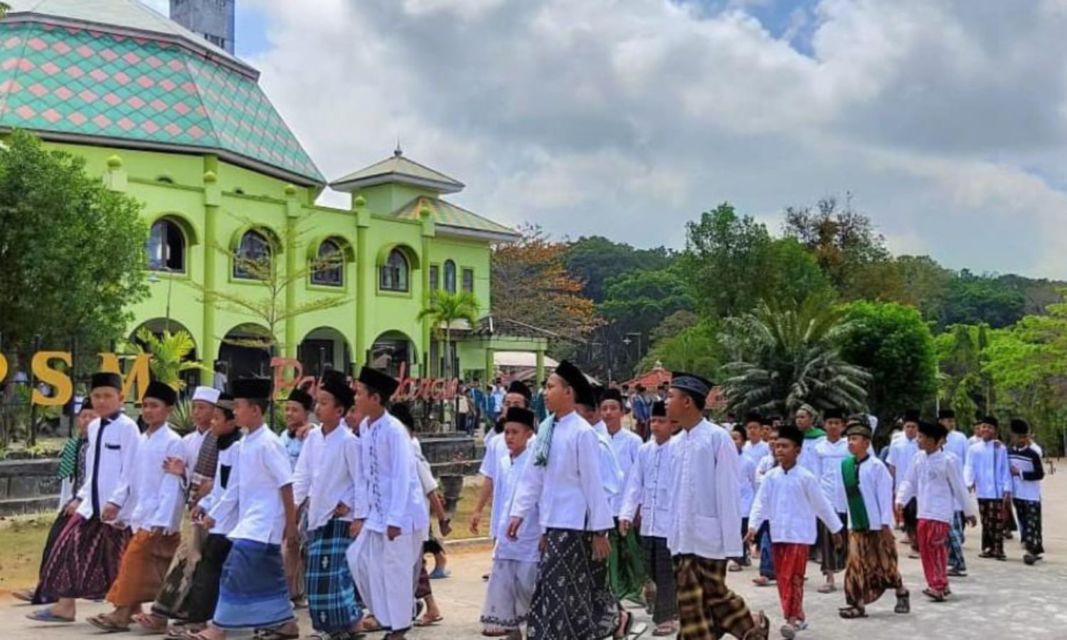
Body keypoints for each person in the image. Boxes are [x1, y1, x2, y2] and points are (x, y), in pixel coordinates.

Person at [508, 360, 635, 640]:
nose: (544, 392)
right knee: (560, 592)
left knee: (559, 591)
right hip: (554, 524)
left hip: (576, 527)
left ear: (568, 392)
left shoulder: (582, 433)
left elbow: (593, 486)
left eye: (550, 386)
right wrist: (519, 514)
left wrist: (601, 531)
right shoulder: (547, 429)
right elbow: (534, 477)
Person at [29, 372, 140, 625]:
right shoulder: (94, 426)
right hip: (91, 505)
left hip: (118, 510)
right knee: (67, 547)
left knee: (121, 560)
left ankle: (131, 609)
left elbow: (131, 470)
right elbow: (93, 469)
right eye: (96, 396)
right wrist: (80, 497)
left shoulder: (128, 428)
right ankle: (65, 606)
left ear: (120, 398)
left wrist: (117, 502)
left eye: (107, 396)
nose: (101, 401)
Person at [667, 372, 769, 640]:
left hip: (709, 537)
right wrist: (671, 534)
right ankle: (751, 629)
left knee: (716, 597)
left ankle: (752, 629)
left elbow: (728, 492)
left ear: (687, 401)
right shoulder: (675, 443)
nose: (666, 402)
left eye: (670, 396)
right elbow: (673, 493)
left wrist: (732, 545)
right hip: (681, 538)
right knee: (692, 605)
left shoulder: (716, 438)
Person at [197, 377, 301, 640]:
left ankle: (219, 627)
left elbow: (286, 485)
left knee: (234, 568)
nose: (234, 411)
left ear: (255, 410)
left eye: (239, 406)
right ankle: (286, 623)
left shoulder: (269, 443)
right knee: (270, 576)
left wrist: (291, 526)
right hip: (248, 520)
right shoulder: (242, 444)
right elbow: (234, 488)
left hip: (265, 522)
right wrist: (214, 515)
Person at [87, 381, 185, 632]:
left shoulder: (173, 442)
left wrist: (164, 520)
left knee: (133, 563)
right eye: (145, 406)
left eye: (155, 406)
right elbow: (129, 477)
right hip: (140, 514)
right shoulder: (142, 440)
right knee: (144, 569)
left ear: (169, 410)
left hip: (159, 518)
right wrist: (119, 506)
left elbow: (171, 485)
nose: (148, 411)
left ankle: (120, 614)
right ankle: (138, 612)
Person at [347, 367, 428, 640]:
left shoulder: (394, 430)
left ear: (375, 397)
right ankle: (389, 616)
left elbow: (403, 476)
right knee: (358, 559)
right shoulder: (366, 428)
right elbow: (363, 476)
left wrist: (395, 520)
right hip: (375, 515)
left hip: (401, 516)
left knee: (394, 572)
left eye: (359, 393)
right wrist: (360, 514)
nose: (355, 398)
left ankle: (399, 627)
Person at [747, 424, 843, 640]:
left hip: (800, 536)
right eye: (777, 446)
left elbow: (822, 505)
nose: (779, 450)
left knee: (794, 577)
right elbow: (760, 504)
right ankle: (793, 614)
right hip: (778, 533)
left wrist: (835, 528)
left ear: (797, 450)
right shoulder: (771, 477)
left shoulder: (806, 477)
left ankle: (794, 618)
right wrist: (752, 526)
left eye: (785, 446)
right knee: (782, 578)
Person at [291, 370, 364, 639]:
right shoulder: (312, 439)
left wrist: (353, 507)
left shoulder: (349, 442)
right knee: (316, 578)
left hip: (341, 520)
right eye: (317, 402)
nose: (318, 408)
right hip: (317, 516)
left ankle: (345, 625)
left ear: (340, 410)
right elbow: (302, 475)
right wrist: (294, 506)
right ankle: (329, 626)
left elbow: (361, 481)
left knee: (335, 577)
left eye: (324, 403)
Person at [143, 386, 221, 634]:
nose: (197, 413)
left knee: (193, 562)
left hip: (216, 513)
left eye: (203, 408)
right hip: (195, 510)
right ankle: (169, 613)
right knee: (189, 562)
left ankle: (166, 614)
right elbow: (190, 481)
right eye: (195, 407)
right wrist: (183, 474)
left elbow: (219, 480)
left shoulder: (223, 440)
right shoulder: (188, 441)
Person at [170, 393, 241, 639]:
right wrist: (205, 503)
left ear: (231, 422)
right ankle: (203, 620)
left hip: (233, 522)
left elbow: (234, 489)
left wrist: (214, 511)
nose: (211, 422)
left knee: (210, 568)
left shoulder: (237, 448)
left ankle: (203, 622)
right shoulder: (223, 445)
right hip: (218, 517)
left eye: (216, 418)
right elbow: (220, 488)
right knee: (208, 568)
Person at [14, 399, 96, 605]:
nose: (86, 421)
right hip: (76, 502)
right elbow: (73, 478)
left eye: (92, 417)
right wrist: (70, 500)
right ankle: (47, 589)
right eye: (83, 416)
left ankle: (53, 592)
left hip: (93, 504)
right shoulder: (76, 445)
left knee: (71, 546)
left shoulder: (99, 445)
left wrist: (82, 499)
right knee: (56, 542)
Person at [836, 417, 910, 620]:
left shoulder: (877, 467)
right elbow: (843, 496)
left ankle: (901, 591)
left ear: (867, 443)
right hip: (855, 525)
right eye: (849, 439)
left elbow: (885, 497)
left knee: (884, 564)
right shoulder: (845, 466)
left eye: (855, 439)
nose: (851, 442)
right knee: (854, 565)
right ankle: (856, 604)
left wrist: (886, 524)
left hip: (876, 525)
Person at [895, 420, 977, 602]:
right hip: (923, 512)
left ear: (936, 441)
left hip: (940, 514)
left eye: (922, 437)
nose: (918, 440)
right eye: (918, 436)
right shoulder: (918, 458)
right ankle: (939, 583)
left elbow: (959, 487)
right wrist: (901, 499)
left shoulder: (948, 461)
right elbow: (909, 481)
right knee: (925, 550)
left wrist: (968, 511)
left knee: (937, 549)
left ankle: (938, 586)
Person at [479, 406, 541, 639]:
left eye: (515, 432)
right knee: (506, 590)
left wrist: (543, 531)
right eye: (506, 432)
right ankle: (513, 633)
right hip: (506, 537)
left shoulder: (535, 462)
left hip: (529, 536)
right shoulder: (504, 462)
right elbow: (501, 498)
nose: (509, 437)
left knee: (528, 589)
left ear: (528, 434)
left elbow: (539, 498)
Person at [619, 399, 677, 637]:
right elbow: (635, 484)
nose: (655, 425)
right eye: (653, 420)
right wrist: (626, 513)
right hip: (648, 522)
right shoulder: (644, 451)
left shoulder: (678, 450)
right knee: (650, 567)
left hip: (670, 524)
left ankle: (667, 617)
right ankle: (669, 606)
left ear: (672, 424)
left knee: (665, 570)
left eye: (661, 421)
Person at [391, 402, 452, 628]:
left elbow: (431, 490)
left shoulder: (412, 457)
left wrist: (443, 519)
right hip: (403, 520)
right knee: (410, 566)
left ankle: (430, 607)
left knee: (414, 566)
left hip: (412, 520)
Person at [600, 387, 645, 604]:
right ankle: (615, 592)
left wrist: (637, 507)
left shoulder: (633, 441)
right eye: (604, 408)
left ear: (621, 412)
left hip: (627, 507)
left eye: (613, 408)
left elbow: (640, 476)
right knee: (612, 554)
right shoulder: (596, 440)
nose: (608, 413)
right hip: (606, 509)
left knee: (632, 551)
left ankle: (639, 590)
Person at [279, 386, 313, 609]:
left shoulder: (314, 435)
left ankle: (300, 592)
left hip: (308, 499)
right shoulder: (282, 437)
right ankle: (292, 593)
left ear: (306, 413)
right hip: (288, 498)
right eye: (287, 409)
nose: (290, 414)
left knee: (302, 547)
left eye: (295, 410)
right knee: (289, 546)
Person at [964, 416, 1012, 561]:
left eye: (989, 427)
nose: (985, 429)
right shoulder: (973, 448)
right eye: (984, 426)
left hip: (997, 492)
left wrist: (1007, 488)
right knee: (985, 521)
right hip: (982, 490)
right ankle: (987, 548)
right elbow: (969, 466)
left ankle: (998, 549)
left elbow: (1005, 469)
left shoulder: (1000, 448)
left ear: (995, 431)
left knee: (996, 521)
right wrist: (968, 482)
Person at [814, 408, 849, 594]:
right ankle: (829, 576)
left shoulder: (848, 446)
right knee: (827, 538)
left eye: (837, 423)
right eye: (830, 423)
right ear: (824, 425)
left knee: (848, 538)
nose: (833, 426)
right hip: (826, 497)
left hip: (847, 498)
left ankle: (851, 574)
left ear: (843, 426)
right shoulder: (819, 447)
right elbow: (815, 474)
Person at [1007, 418, 1045, 565]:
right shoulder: (1009, 452)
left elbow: (1039, 474)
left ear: (1024, 437)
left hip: (1031, 494)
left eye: (1017, 436)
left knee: (1032, 523)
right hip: (1017, 494)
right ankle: (1033, 548)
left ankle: (1031, 551)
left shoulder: (1033, 454)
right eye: (1013, 436)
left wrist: (1021, 473)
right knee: (1023, 522)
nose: (1015, 439)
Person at [938, 408, 970, 577]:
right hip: (940, 495)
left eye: (951, 421)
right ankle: (950, 561)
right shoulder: (934, 443)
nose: (949, 424)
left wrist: (966, 483)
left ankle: (958, 562)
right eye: (946, 421)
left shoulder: (961, 439)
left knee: (954, 529)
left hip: (956, 489)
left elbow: (967, 461)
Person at [887, 411, 921, 553]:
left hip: (918, 486)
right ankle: (912, 538)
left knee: (916, 514)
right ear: (904, 427)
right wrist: (891, 483)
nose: (910, 429)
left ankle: (917, 545)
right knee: (906, 515)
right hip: (902, 484)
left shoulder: (921, 443)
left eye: (913, 426)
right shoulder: (896, 443)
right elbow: (892, 465)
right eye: (908, 426)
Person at [752, 424, 779, 589]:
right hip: (767, 509)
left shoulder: (790, 461)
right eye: (771, 439)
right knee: (766, 541)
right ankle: (765, 573)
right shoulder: (765, 460)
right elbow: (759, 479)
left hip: (783, 511)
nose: (773, 443)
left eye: (777, 439)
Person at [729, 425, 757, 572]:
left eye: (736, 438)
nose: (733, 442)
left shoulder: (748, 461)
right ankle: (738, 557)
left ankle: (740, 558)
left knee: (742, 530)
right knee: (733, 530)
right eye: (730, 438)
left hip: (746, 501)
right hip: (731, 501)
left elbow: (754, 481)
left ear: (744, 441)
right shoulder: (724, 459)